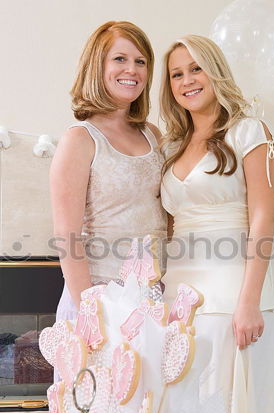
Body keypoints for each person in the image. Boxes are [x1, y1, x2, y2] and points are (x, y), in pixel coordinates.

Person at [159, 35, 274, 413]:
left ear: (215, 70)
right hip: (178, 299)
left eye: (195, 68)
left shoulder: (250, 131)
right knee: (184, 412)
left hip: (232, 294)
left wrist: (249, 301)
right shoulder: (173, 145)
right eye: (177, 74)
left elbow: (263, 222)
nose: (187, 80)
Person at [50, 21, 167, 321]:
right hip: (100, 297)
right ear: (96, 66)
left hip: (153, 296)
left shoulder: (154, 135)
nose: (132, 70)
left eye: (140, 62)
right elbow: (68, 236)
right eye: (120, 59)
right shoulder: (80, 139)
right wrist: (91, 311)